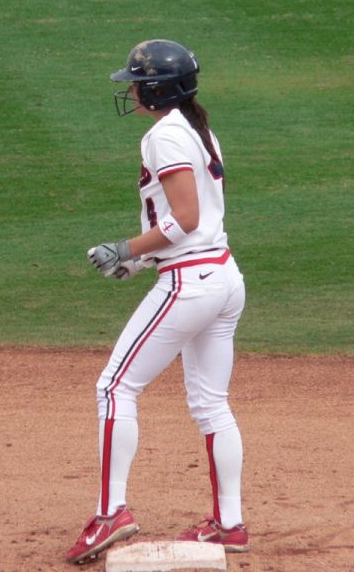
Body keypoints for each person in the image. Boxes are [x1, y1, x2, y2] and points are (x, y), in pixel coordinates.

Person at [66, 39, 249, 564]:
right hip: (222, 275)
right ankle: (229, 524)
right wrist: (142, 261)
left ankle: (109, 514)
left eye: (137, 81)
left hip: (191, 283)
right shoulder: (197, 128)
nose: (131, 88)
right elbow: (198, 225)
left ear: (155, 89)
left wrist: (127, 247)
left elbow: (186, 219)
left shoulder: (164, 135)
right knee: (212, 404)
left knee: (115, 387)